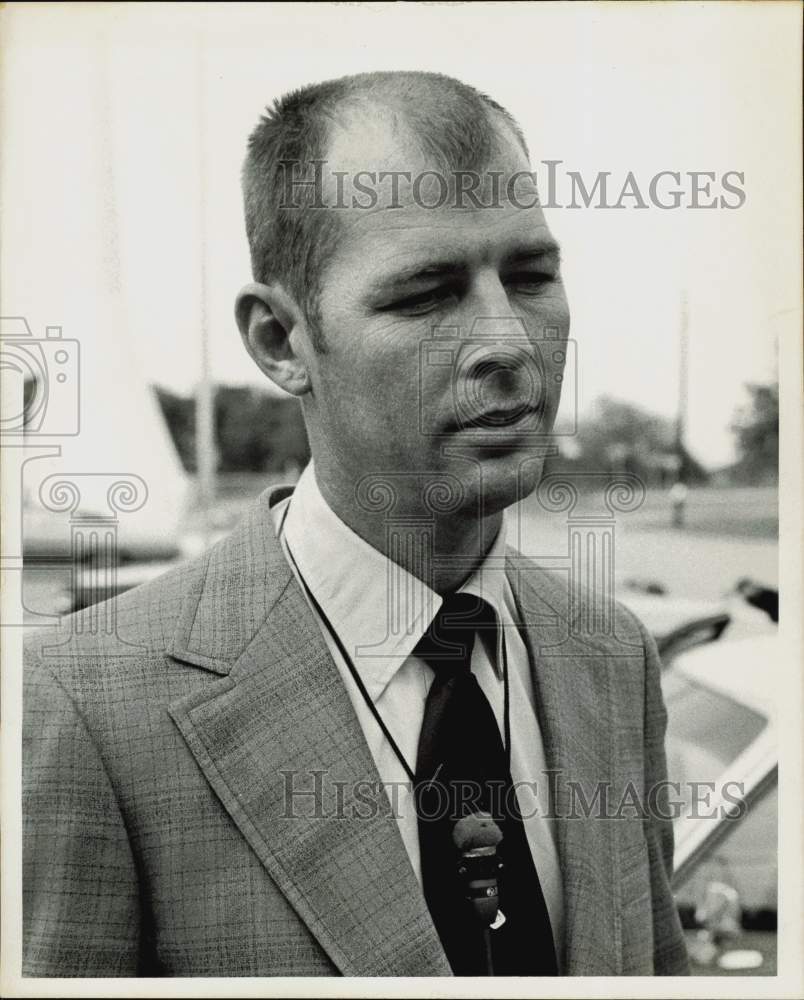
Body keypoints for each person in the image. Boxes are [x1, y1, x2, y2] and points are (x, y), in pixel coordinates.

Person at [23, 71, 689, 977]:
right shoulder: (87, 705)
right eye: (426, 295)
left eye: (531, 276)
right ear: (280, 342)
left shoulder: (609, 657)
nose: (506, 340)